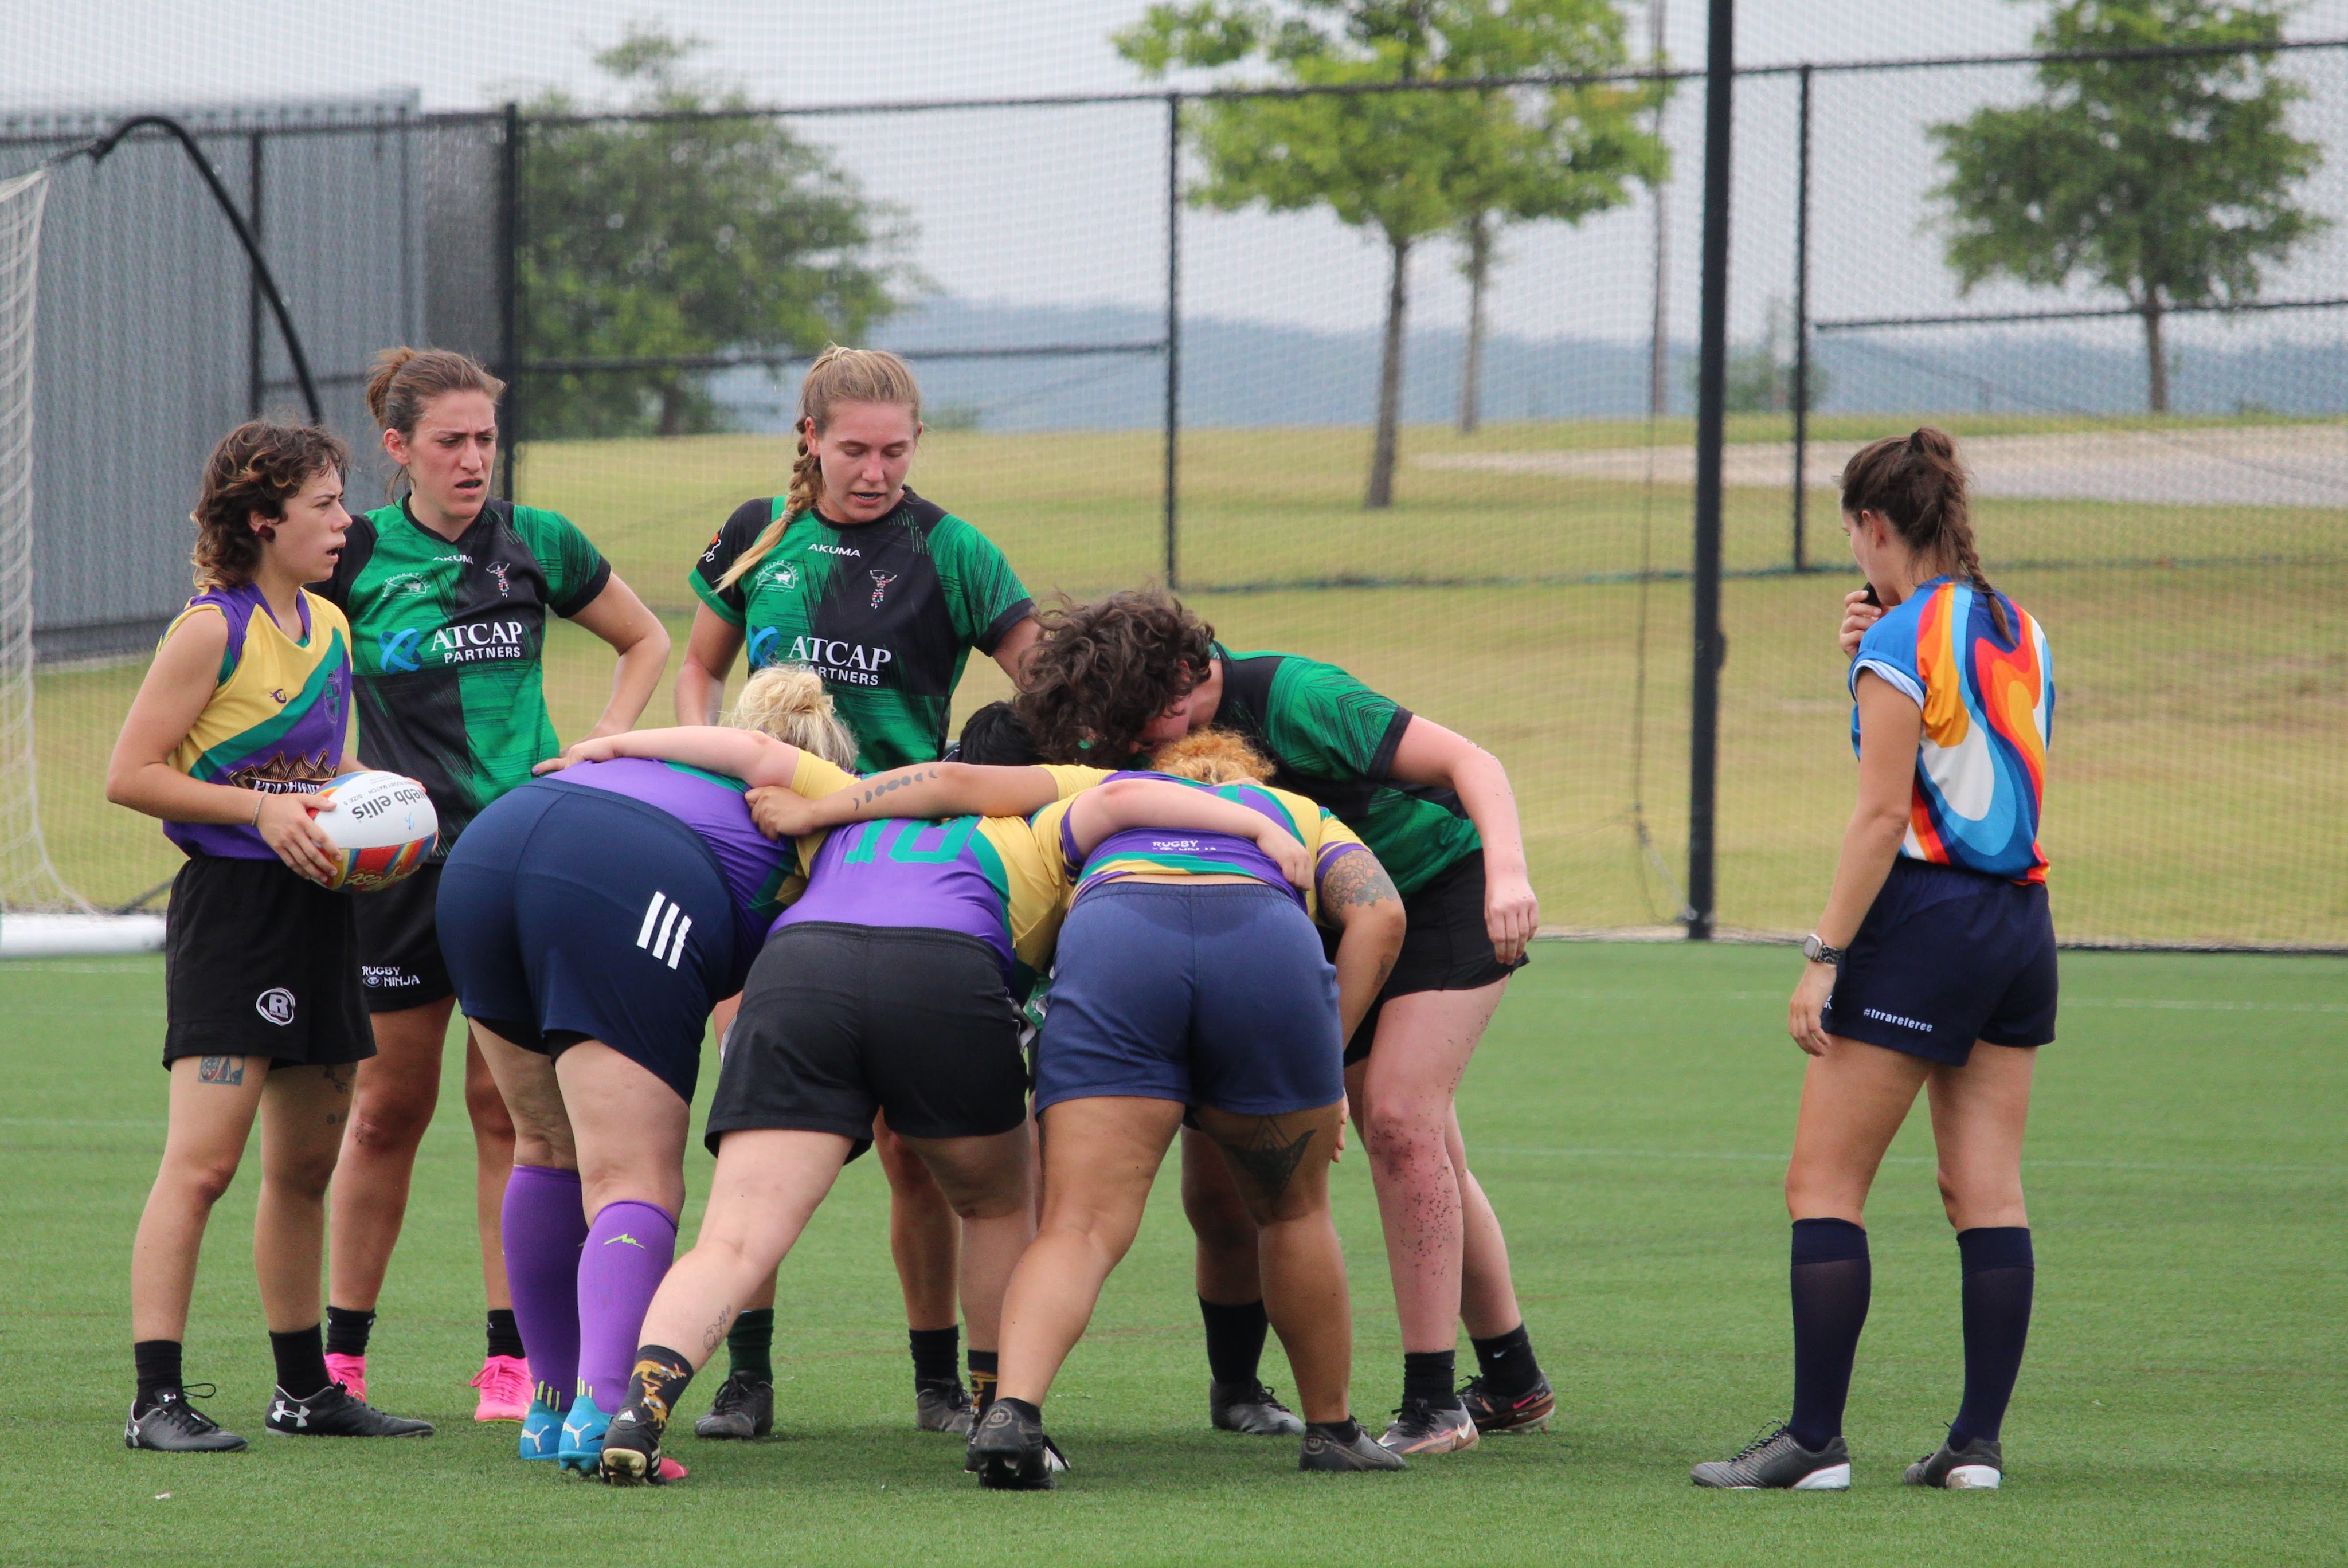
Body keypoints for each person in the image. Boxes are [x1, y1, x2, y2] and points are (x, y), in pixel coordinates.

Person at [578, 735, 1322, 1485]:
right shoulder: (1040, 825)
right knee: (997, 1205)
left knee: (735, 1240)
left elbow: (742, 748)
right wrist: (1262, 828)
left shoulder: (852, 805)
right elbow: (1128, 797)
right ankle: (1000, 1412)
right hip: (944, 968)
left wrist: (608, 743)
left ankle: (641, 1412)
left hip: (799, 971)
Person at [1012, 590, 1550, 1454]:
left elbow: (1471, 762)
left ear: (1184, 677)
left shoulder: (1296, 696)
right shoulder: (1152, 725)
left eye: (1142, 722)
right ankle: (1513, 1377)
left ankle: (1433, 1401)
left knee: (1399, 1122)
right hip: (1299, 921)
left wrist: (1509, 875)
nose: (1137, 745)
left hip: (1436, 900)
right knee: (1396, 1150)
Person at [676, 345, 1040, 1438]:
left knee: (915, 1153)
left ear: (918, 444)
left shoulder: (954, 550)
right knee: (753, 1133)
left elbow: (1048, 683)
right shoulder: (759, 533)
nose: (875, 473)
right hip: (761, 863)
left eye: (894, 452)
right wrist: (712, 760)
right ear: (810, 440)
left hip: (896, 870)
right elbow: (699, 665)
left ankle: (940, 1384)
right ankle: (746, 1379)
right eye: (853, 451)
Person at [1690, 428, 2054, 1492]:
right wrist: (1874, 643)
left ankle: (1815, 1442)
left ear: (1873, 525)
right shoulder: (2019, 624)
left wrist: (1824, 955)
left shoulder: (1898, 639)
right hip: (2021, 924)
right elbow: (1964, 750)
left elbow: (1884, 815)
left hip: (1926, 918)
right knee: (1986, 1191)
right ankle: (1975, 1448)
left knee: (1822, 1183)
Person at [317, 347, 669, 1422]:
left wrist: (602, 746)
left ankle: (512, 1360)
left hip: (524, 860)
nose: (473, 460)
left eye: (485, 439)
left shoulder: (538, 541)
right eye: (450, 442)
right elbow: (288, 676)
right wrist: (344, 779)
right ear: (398, 447)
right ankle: (341, 1361)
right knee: (385, 1111)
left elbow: (645, 639)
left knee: (512, 1118)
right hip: (402, 872)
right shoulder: (352, 553)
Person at [435, 669, 860, 1479]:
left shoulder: (661, 763)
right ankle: (603, 1413)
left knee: (543, 1147)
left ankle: (548, 1409)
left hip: (490, 847)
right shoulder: (828, 807)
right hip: (623, 872)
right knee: (635, 1179)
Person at [107, 421, 432, 1449]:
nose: (346, 522)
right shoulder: (211, 629)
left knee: (304, 1170)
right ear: (262, 519)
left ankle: (304, 1392)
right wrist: (260, 811)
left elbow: (319, 775)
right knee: (203, 1165)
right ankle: (155, 1400)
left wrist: (380, 803)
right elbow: (131, 774)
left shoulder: (329, 623)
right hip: (234, 916)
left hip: (321, 911)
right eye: (325, 505)